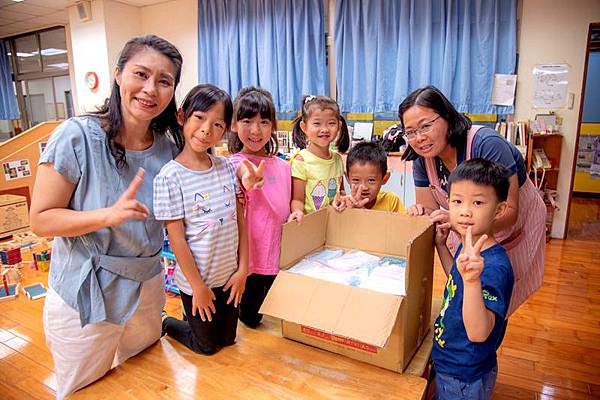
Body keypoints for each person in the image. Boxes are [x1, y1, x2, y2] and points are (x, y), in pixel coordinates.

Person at [29, 35, 184, 398]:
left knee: (144, 379)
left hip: (146, 288)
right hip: (87, 291)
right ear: (118, 75)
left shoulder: (169, 146)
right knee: (85, 388)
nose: (150, 89)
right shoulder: (76, 136)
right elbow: (41, 219)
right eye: (140, 74)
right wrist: (107, 216)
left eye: (164, 81)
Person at [399, 85, 544, 315]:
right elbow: (429, 210)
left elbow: (510, 212)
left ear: (446, 116)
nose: (419, 138)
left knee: (496, 298)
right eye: (410, 132)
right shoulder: (422, 160)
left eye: (426, 126)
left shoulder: (486, 144)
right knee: (469, 294)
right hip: (466, 229)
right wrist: (422, 214)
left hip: (510, 225)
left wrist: (455, 221)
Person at [153, 84, 250, 355]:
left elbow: (240, 222)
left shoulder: (227, 168)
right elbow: (176, 239)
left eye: (217, 124)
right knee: (206, 346)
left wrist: (243, 270)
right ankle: (168, 322)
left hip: (229, 278)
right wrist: (197, 287)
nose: (207, 129)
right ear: (183, 116)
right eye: (200, 117)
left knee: (228, 339)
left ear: (225, 129)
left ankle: (194, 319)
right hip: (198, 281)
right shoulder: (169, 177)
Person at [432, 158, 514, 400]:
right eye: (457, 201)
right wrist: (441, 246)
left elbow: (479, 333)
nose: (465, 211)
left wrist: (472, 280)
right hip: (453, 359)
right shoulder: (469, 246)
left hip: (463, 373)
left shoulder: (493, 266)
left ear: (498, 210)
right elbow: (456, 280)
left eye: (477, 202)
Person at [228, 87, 291, 328]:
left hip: (280, 255)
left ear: (273, 126)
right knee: (251, 318)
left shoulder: (284, 167)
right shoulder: (233, 163)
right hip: (251, 260)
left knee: (281, 315)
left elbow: (291, 204)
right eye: (247, 121)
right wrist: (249, 179)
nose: (255, 130)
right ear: (234, 125)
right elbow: (243, 171)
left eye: (263, 122)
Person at [289, 95, 350, 221]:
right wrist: (297, 212)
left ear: (339, 126)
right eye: (317, 123)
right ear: (304, 127)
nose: (324, 129)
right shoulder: (301, 161)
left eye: (331, 123)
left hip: (335, 223)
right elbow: (297, 199)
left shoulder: (338, 159)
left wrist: (344, 200)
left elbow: (341, 192)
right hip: (310, 227)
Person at [340, 141, 405, 212]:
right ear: (347, 178)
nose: (364, 187)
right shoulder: (344, 205)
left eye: (371, 180)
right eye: (356, 180)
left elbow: (404, 222)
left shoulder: (391, 201)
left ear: (385, 178)